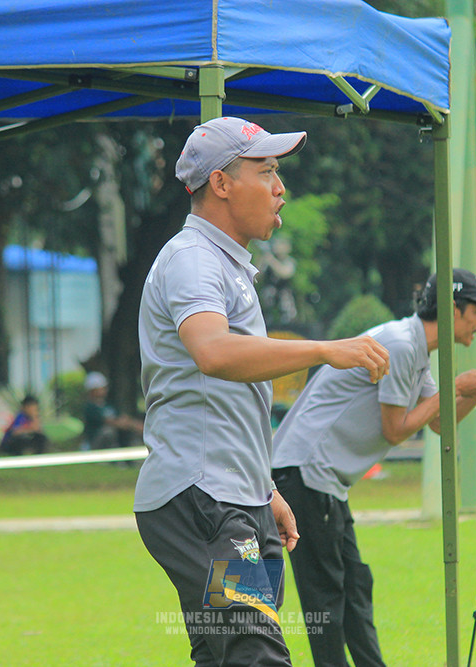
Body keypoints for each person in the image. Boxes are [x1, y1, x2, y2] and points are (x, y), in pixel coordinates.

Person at [135, 116, 390, 667]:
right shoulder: (193, 260)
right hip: (206, 499)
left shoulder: (225, 266)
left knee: (226, 657)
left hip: (237, 497)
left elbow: (223, 399)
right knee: (257, 655)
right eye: (267, 171)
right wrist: (326, 350)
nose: (281, 188)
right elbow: (216, 353)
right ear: (222, 184)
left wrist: (264, 489)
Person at [272, 268, 476, 666]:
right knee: (327, 598)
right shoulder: (403, 345)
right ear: (453, 309)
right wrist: (455, 386)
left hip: (323, 481)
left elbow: (439, 421)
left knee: (355, 587)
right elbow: (396, 430)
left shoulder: (416, 349)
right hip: (303, 474)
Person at [81, 371, 143, 451]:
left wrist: (135, 424)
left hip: (114, 436)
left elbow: (120, 417)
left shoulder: (107, 405)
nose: (105, 390)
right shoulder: (90, 407)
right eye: (101, 388)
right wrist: (129, 425)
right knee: (109, 431)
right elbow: (109, 421)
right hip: (95, 442)